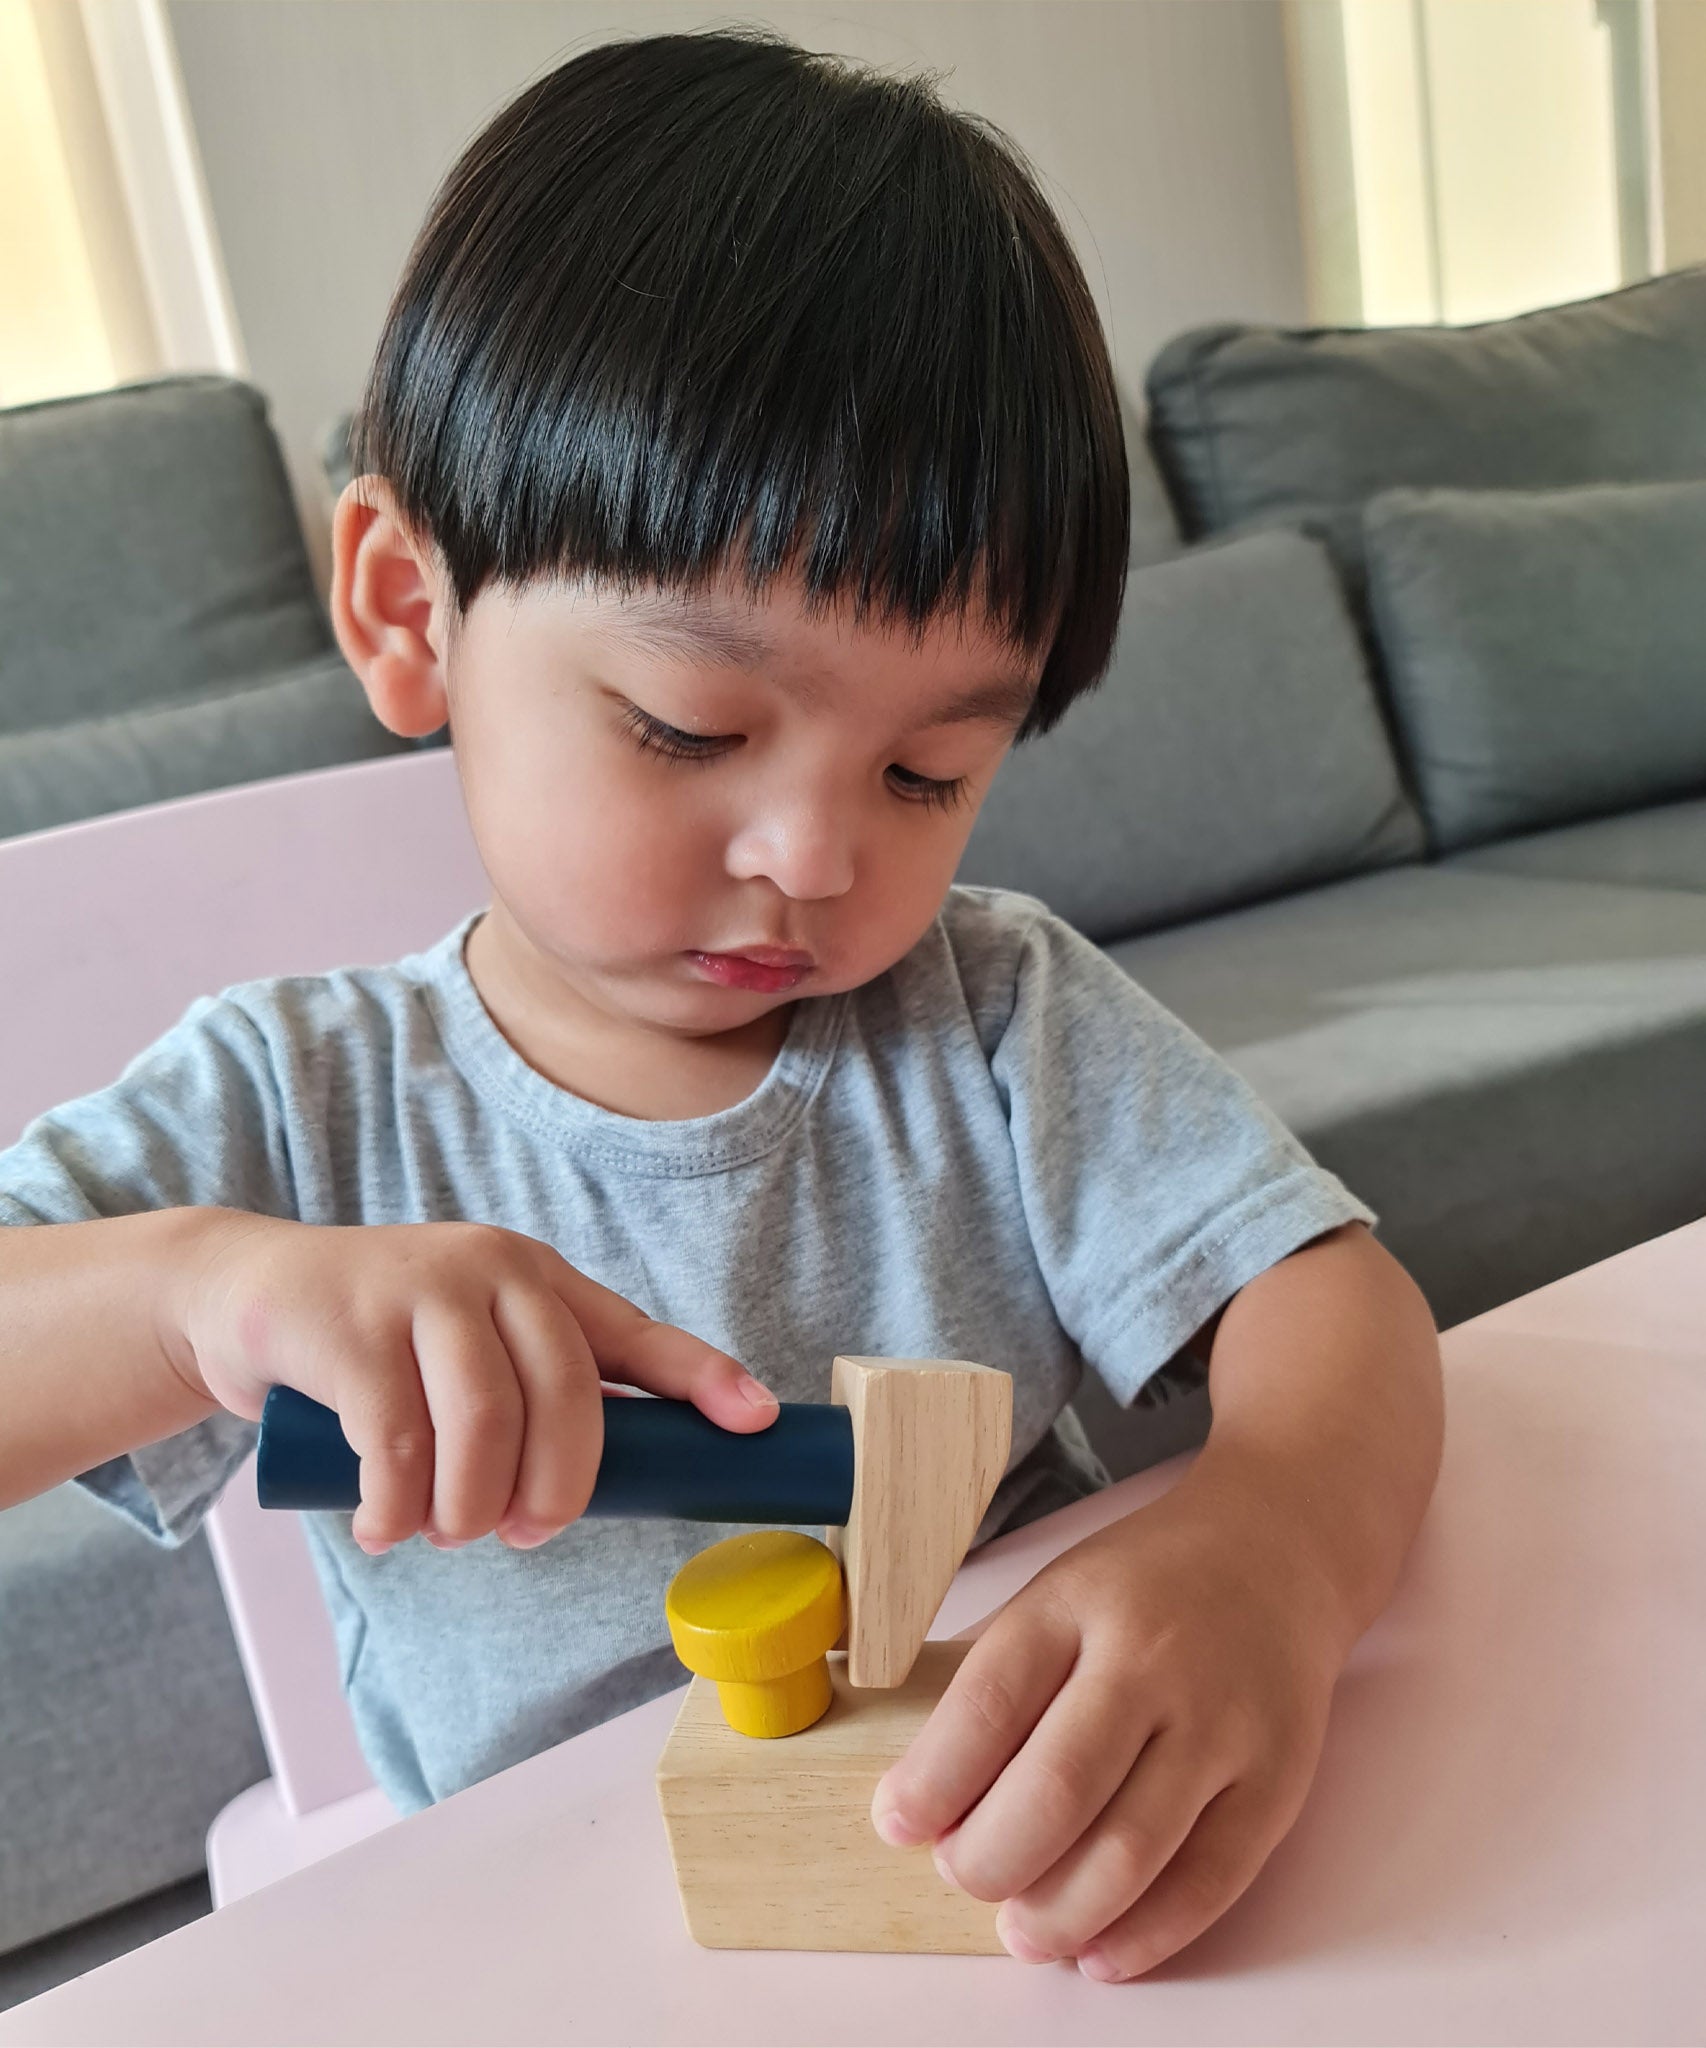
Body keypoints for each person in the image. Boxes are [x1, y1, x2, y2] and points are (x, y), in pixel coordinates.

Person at [0, 28, 1443, 1981]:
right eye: (693, 728)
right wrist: (203, 1295)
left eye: (927, 772)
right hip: (555, 1942)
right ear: (410, 615)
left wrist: (1277, 1543)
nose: (817, 855)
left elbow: (1331, 1302)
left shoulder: (996, 1017)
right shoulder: (299, 1101)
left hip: (1008, 1871)